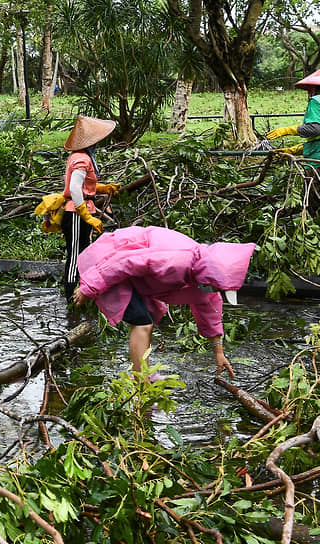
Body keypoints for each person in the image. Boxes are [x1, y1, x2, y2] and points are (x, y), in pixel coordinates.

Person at [72, 226, 256, 380]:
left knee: (147, 320)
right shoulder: (176, 261)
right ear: (209, 277)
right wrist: (89, 287)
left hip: (135, 278)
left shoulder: (203, 279)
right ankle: (141, 383)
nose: (216, 292)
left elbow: (210, 311)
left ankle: (145, 375)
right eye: (217, 288)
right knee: (142, 322)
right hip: (110, 261)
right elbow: (125, 262)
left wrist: (218, 352)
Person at [61, 115, 121, 301]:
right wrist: (86, 216)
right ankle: (71, 296)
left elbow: (84, 185)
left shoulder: (83, 157)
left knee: (85, 251)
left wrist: (103, 188)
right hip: (75, 213)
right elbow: (74, 189)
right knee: (75, 254)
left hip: (83, 208)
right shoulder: (82, 159)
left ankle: (83, 291)